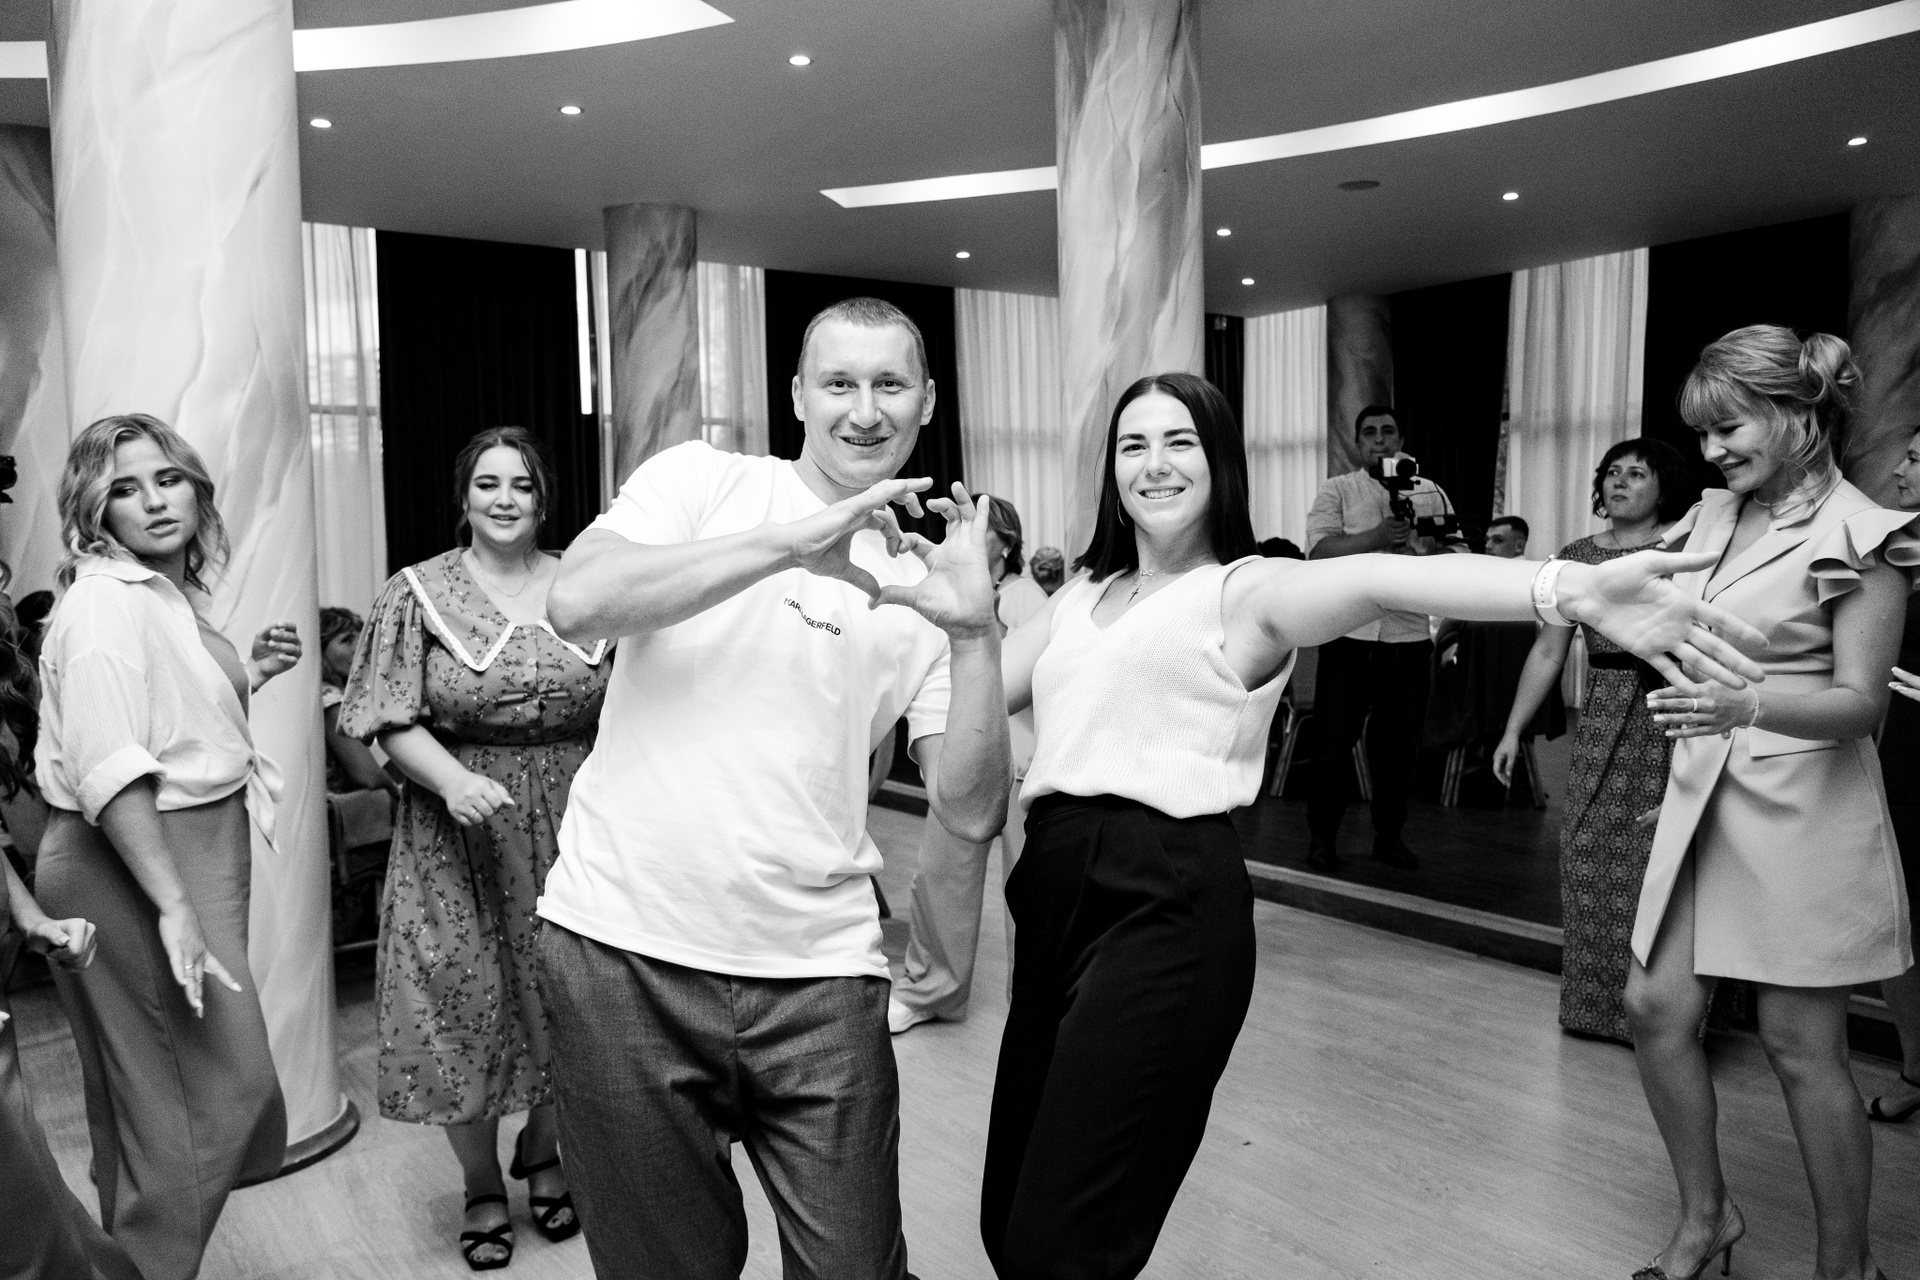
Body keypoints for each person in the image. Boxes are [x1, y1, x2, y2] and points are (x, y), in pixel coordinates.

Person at [984, 371, 1763, 1280]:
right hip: (1052, 889)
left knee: (1060, 1242)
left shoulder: (1248, 588)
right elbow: (977, 693)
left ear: (1220, 461)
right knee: (1007, 1220)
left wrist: (1569, 588)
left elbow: (1386, 576)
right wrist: (959, 627)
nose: (1154, 464)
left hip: (1163, 899)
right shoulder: (1081, 594)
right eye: (1134, 445)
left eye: (1180, 441)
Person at [537, 296, 1009, 1279]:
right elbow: (578, 600)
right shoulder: (703, 481)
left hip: (821, 972)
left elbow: (969, 812)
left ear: (927, 400)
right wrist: (791, 543)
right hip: (624, 949)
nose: (864, 410)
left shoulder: (926, 580)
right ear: (797, 395)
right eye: (839, 383)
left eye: (890, 385)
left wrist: (973, 633)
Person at [1624, 327, 1914, 1280]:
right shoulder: (1711, 515)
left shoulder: (1862, 533)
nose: (1711, 452)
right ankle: (1707, 1219)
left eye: (1729, 428)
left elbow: (1861, 704)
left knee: (1800, 1047)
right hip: (1705, 791)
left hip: (1802, 806)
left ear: (1797, 416)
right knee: (1654, 1008)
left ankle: (1847, 1266)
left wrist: (1744, 706)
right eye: (1702, 434)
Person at [339, 426, 610, 1270]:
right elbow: (384, 715)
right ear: (464, 497)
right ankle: (482, 1183)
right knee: (463, 1006)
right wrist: (452, 780)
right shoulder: (417, 592)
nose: (504, 499)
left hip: (579, 824)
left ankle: (545, 1153)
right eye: (488, 483)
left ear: (544, 498)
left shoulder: (589, 583)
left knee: (572, 998)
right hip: (457, 834)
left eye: (522, 484)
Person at [34, 413, 297, 1280]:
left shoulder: (157, 595)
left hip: (187, 849)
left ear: (196, 488)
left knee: (154, 1102)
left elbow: (170, 717)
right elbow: (111, 764)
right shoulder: (104, 603)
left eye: (167, 478)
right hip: (134, 857)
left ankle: (126, 1263)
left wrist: (247, 671)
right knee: (208, 1100)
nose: (152, 501)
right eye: (124, 488)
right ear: (94, 510)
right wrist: (175, 906)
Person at [1492, 438, 1701, 1043]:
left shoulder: (1687, 546)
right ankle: (1596, 1009)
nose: (1620, 482)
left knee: (1669, 856)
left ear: (1664, 486)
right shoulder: (1576, 558)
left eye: (1637, 473)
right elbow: (1548, 650)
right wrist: (1513, 729)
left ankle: (1671, 1019)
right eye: (1612, 472)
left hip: (1678, 705)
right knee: (1586, 849)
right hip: (1606, 713)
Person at [890, 494, 1048, 1035]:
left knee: (1028, 893)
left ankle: (1032, 1004)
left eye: (980, 527)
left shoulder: (1026, 597)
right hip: (962, 754)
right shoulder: (949, 582)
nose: (966, 534)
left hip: (1023, 764)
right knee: (940, 879)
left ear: (1005, 543)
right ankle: (929, 991)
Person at [1303, 403, 1467, 871]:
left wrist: (1425, 554)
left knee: (1398, 748)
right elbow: (1319, 552)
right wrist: (1377, 536)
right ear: (1358, 443)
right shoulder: (1338, 489)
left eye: (1388, 431)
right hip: (1348, 635)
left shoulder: (1429, 491)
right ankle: (1322, 838)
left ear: (1401, 439)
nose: (1379, 439)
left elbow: (1458, 552)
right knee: (1332, 745)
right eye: (1370, 432)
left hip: (1408, 636)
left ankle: (1390, 835)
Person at [1869, 426, 1920, 1123]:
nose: (1899, 469)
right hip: (1903, 748)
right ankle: (1917, 1068)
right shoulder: (1895, 547)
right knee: (1896, 917)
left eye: (1913, 459)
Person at [318, 606, 396, 798]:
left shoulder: (341, 694)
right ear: (319, 651)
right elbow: (369, 776)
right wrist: (397, 793)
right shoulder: (328, 697)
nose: (360, 648)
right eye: (346, 640)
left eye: (361, 638)